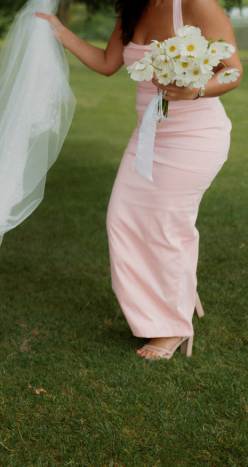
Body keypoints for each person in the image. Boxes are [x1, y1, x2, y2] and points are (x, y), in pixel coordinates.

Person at [37, 0, 242, 359]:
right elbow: (106, 64)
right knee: (122, 219)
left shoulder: (198, 5)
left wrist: (195, 89)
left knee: (167, 225)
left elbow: (233, 72)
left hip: (195, 137)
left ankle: (171, 327)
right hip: (148, 135)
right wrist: (59, 30)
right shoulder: (133, 9)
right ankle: (176, 290)